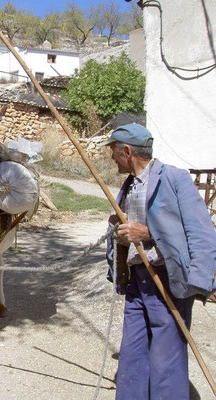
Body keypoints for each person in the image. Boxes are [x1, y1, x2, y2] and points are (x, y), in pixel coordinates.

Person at [102, 123, 216, 400]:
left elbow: (201, 233)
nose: (112, 158)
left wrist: (199, 283)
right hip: (137, 283)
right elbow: (128, 236)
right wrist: (118, 231)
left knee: (167, 359)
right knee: (132, 354)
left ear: (127, 151)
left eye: (114, 152)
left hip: (167, 279)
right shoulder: (129, 186)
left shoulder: (174, 179)